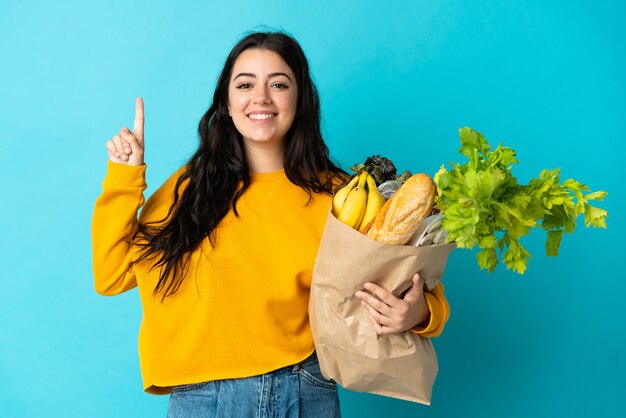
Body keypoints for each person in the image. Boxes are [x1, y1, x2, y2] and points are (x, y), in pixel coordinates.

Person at [92, 31, 450, 418]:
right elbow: (111, 276)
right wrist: (124, 179)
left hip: (302, 389)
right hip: (203, 398)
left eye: (278, 84)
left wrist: (422, 314)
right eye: (245, 84)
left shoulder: (342, 196)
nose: (260, 98)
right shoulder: (187, 191)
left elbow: (408, 280)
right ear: (227, 103)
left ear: (300, 100)